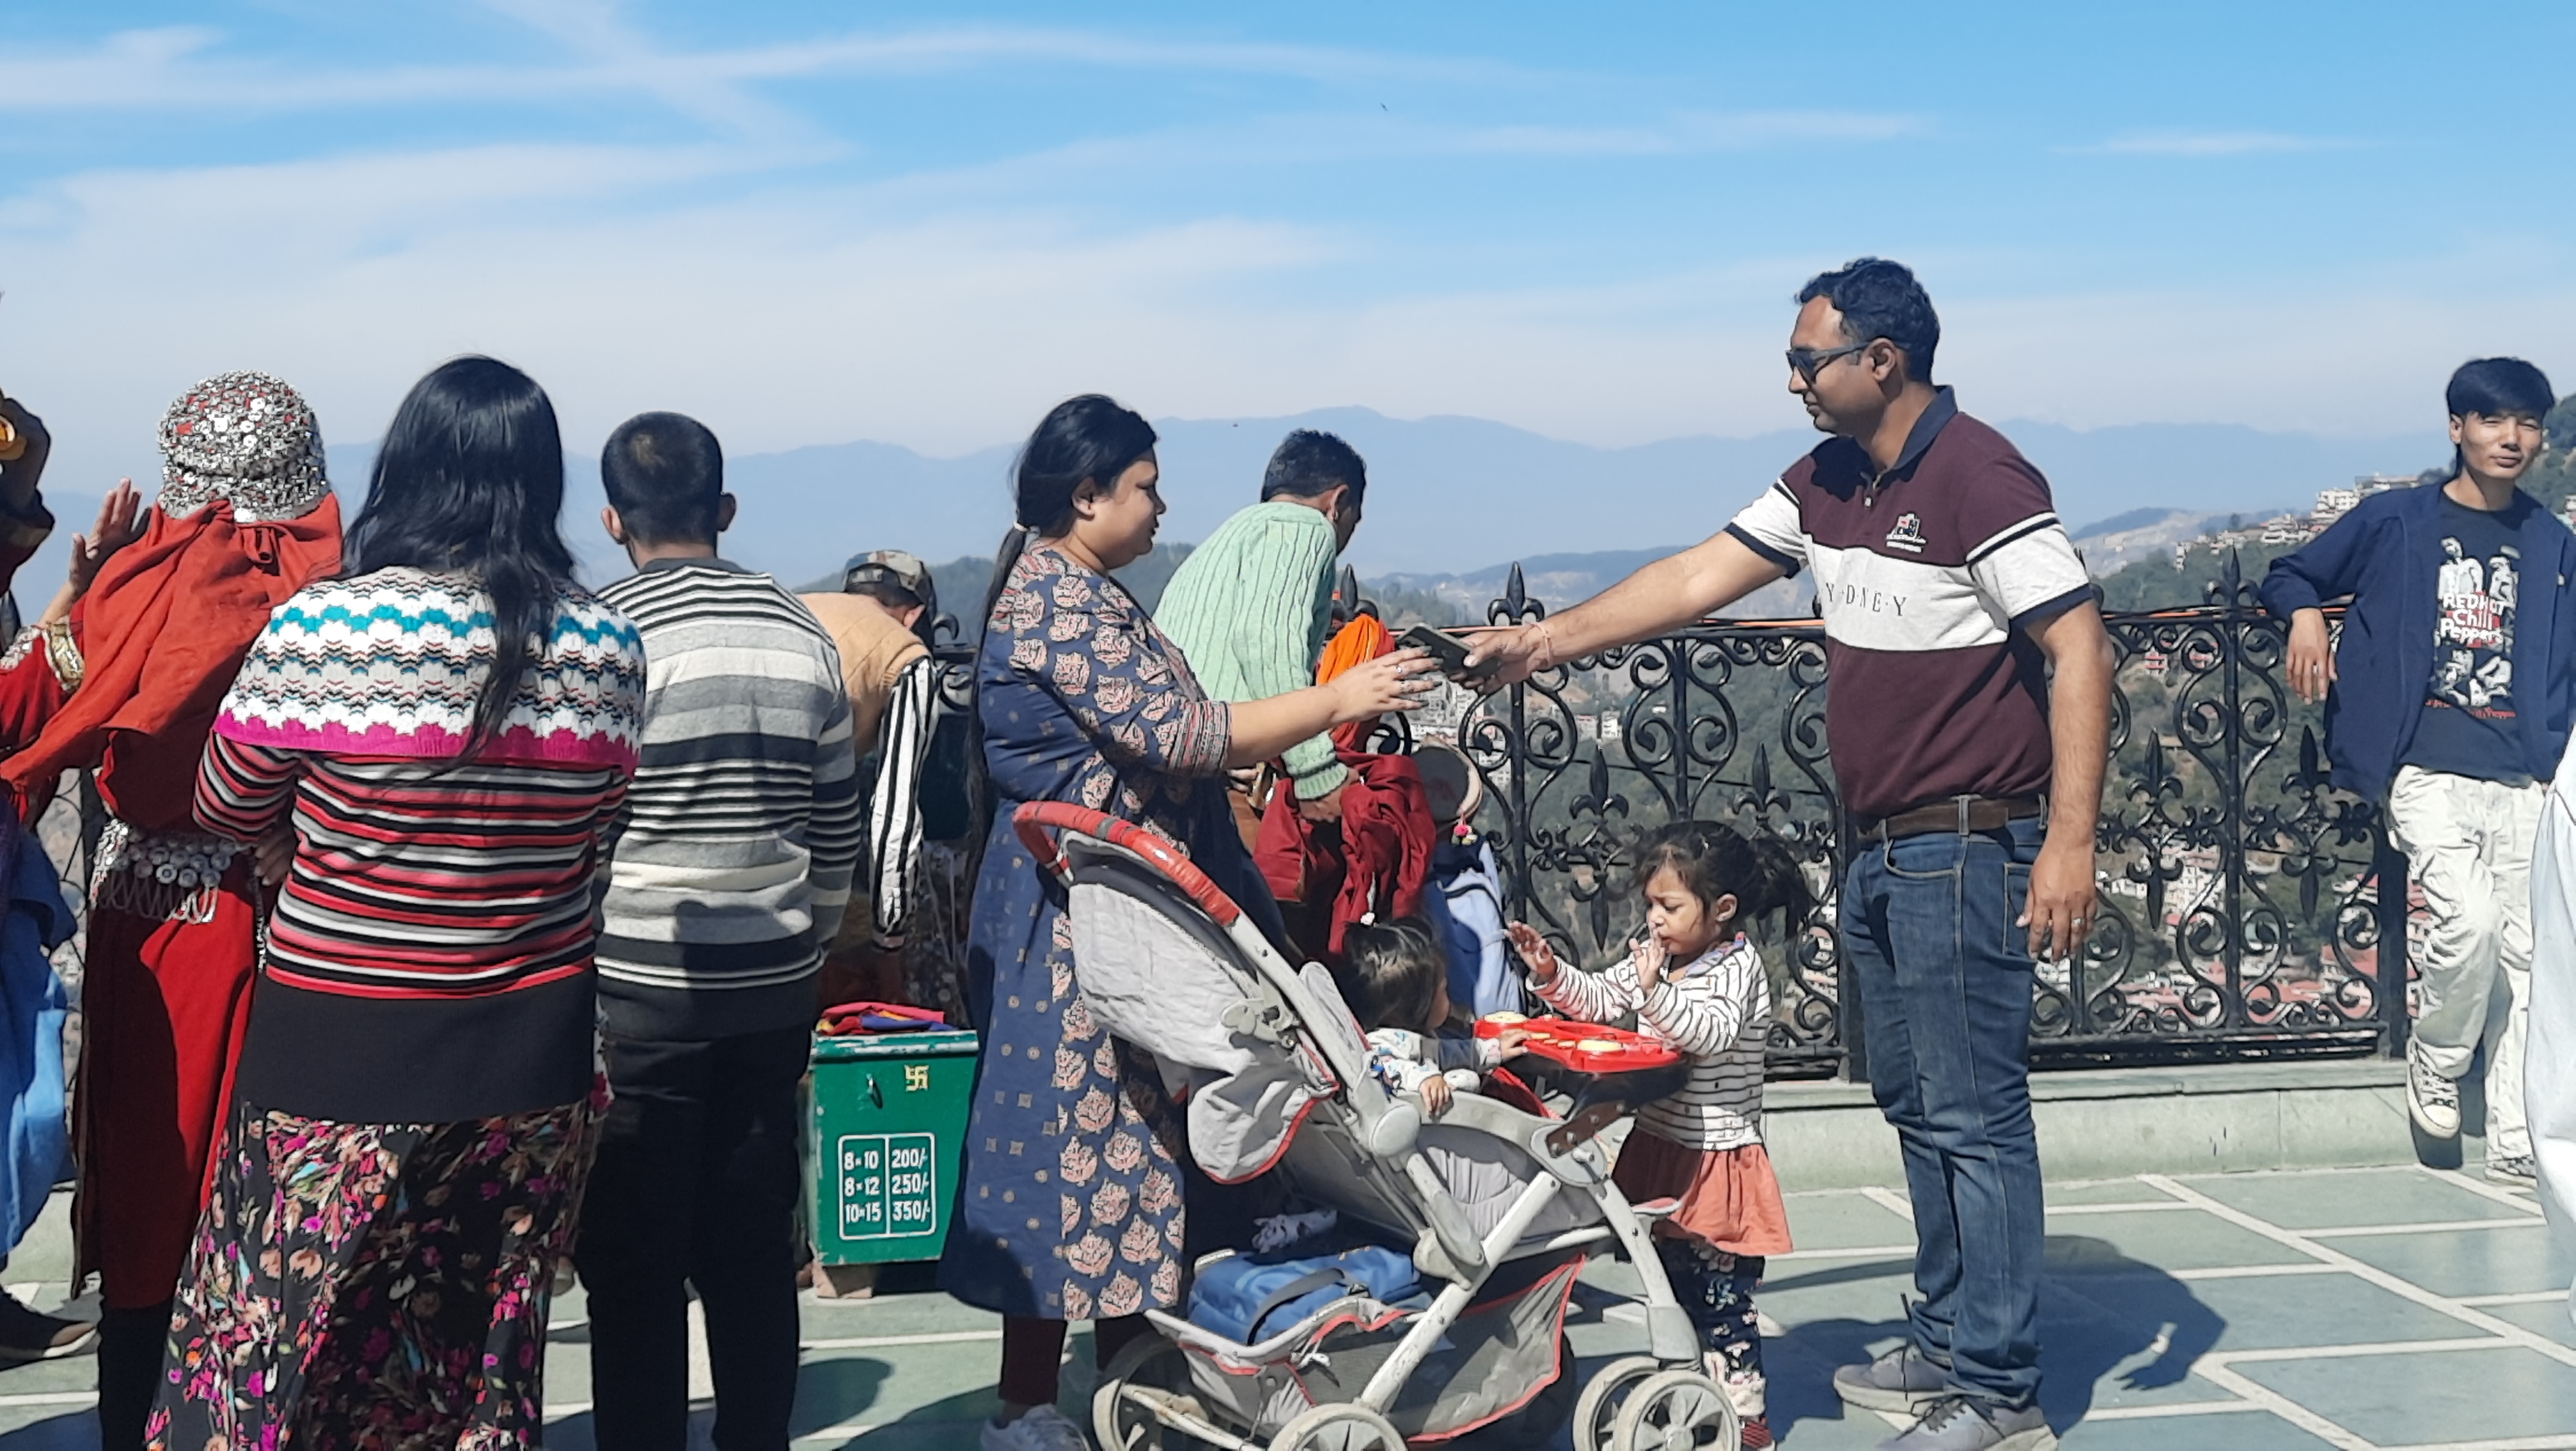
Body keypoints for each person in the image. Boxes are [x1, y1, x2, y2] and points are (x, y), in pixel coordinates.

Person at [1467, 259, 2110, 1451]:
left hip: (1969, 845)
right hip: (1883, 848)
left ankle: (1998, 1391)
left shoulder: (1978, 474)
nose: (1792, 378)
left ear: (1882, 361)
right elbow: (1693, 578)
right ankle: (1946, 1336)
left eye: (1807, 358)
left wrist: (2067, 842)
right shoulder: (1824, 478)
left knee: (1973, 1116)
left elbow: (2077, 647)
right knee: (1919, 1107)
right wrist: (1539, 643)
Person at [155, 357, 643, 1444]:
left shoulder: (324, 633)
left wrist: (321, 839)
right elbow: (597, 830)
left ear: (406, 472)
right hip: (531, 1055)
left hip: (337, 1044)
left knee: (273, 1336)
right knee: (474, 1349)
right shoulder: (608, 644)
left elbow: (227, 809)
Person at [942, 395, 1432, 1451]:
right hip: (1076, 927)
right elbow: (1184, 732)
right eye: (1145, 487)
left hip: (1110, 915)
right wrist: (1336, 699)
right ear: (1086, 496)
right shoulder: (1058, 600)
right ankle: (1030, 1402)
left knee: (1122, 1150)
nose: (1163, 506)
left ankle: (1133, 1374)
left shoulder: (1077, 588)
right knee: (1067, 1152)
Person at [0, 374, 340, 1447]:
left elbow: (17, 718)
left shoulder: (131, 589)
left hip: (147, 926)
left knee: (151, 1197)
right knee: (279, 1196)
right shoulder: (336, 597)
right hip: (299, 925)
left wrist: (76, 593)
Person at [580, 411, 865, 1449]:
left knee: (632, 1262)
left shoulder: (601, 632)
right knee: (751, 1248)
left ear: (611, 518)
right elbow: (837, 825)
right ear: (725, 510)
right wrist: (806, 938)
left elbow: (582, 828)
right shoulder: (800, 633)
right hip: (772, 991)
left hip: (634, 997)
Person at [2263, 358, 2573, 1189]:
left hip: (2525, 775)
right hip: (2425, 766)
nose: (2512, 439)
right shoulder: (2399, 522)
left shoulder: (2551, 543)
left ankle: (2516, 1132)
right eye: (2493, 421)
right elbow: (2292, 571)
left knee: (2532, 955)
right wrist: (2303, 620)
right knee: (2465, 923)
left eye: (2529, 424)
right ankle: (2437, 1061)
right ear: (2457, 429)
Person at [1506, 821, 1806, 1448]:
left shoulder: (1736, 965)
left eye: (1670, 906)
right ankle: (1690, 1393)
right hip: (1663, 1145)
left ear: (1721, 910)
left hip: (1717, 1158)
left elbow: (1707, 1032)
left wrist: (1656, 993)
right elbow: (1599, 1000)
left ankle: (1746, 1416)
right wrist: (1549, 973)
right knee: (1667, 1282)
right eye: (1650, 905)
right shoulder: (1659, 957)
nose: (1656, 920)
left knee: (1721, 1297)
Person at [1154, 429, 1369, 838]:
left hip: (1182, 764)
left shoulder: (1238, 531)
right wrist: (1315, 770)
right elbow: (1266, 645)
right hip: (1226, 784)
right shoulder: (1305, 528)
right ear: (1338, 502)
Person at [800, 550, 943, 1011]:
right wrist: (889, 952)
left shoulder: (798, 610)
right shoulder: (907, 653)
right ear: (916, 616)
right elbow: (894, 818)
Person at [1334, 915, 1526, 1118]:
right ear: (1417, 1008)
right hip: (1421, 1123)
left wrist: (1491, 1050)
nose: (1450, 995)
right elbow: (1387, 1069)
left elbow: (1446, 1053)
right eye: (1443, 990)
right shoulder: (1380, 1042)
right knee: (1467, 1079)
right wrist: (1424, 1079)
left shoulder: (1418, 1034)